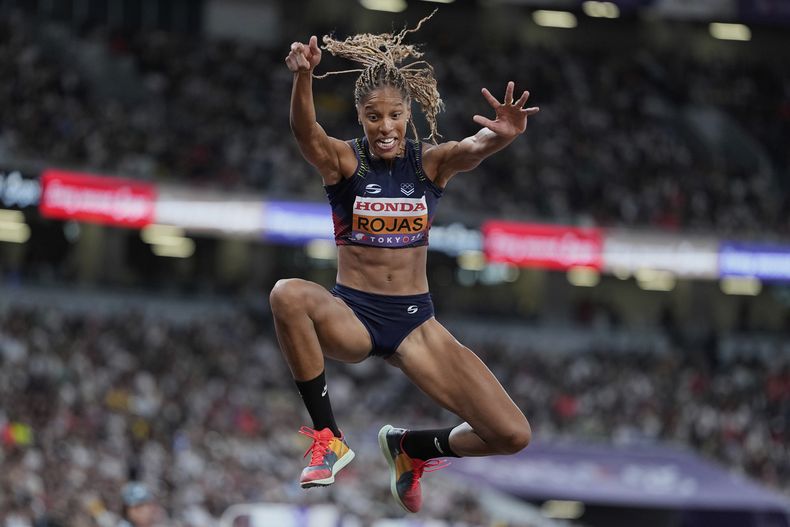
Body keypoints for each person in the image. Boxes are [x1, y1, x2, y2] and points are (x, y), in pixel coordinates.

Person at [271, 12, 539, 514]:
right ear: (361, 118)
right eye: (374, 116)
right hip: (354, 315)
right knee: (286, 293)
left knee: (510, 434)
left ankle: (411, 447)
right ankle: (328, 437)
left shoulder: (430, 163)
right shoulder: (346, 164)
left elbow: (474, 148)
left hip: (417, 323)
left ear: (408, 114)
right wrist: (304, 76)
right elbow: (307, 134)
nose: (385, 127)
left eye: (394, 115)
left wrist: (504, 133)